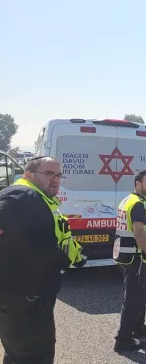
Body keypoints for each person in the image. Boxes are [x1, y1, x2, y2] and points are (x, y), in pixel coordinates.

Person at [0, 156, 85, 364]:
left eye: (58, 175)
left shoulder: (38, 198)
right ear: (29, 175)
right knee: (31, 356)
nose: (55, 179)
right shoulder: (20, 196)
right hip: (24, 298)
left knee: (22, 354)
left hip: (32, 297)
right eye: (49, 174)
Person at [113, 170, 146, 352]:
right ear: (137, 184)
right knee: (133, 298)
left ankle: (138, 326)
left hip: (127, 255)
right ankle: (123, 340)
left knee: (140, 292)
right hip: (134, 256)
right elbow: (139, 234)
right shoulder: (137, 204)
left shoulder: (129, 199)